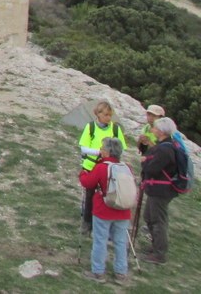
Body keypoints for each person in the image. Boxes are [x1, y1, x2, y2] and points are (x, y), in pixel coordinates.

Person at [79, 137, 133, 282]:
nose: (100, 150)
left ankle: (98, 272)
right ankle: (121, 272)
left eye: (102, 148)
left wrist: (83, 172)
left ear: (108, 151)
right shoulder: (127, 168)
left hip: (104, 210)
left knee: (100, 240)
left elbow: (88, 182)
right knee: (120, 242)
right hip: (123, 210)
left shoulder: (102, 167)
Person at [77, 100, 127, 234]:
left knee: (108, 194)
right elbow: (83, 148)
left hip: (109, 167)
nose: (108, 118)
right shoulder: (91, 127)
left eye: (110, 115)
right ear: (98, 114)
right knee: (90, 194)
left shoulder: (115, 129)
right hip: (92, 165)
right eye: (105, 115)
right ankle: (88, 222)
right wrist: (99, 153)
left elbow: (121, 148)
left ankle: (104, 222)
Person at [141, 116, 181, 265]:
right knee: (150, 218)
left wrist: (145, 163)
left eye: (156, 128)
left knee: (158, 221)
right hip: (159, 189)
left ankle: (159, 254)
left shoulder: (165, 149)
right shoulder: (168, 145)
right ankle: (156, 248)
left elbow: (152, 168)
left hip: (160, 190)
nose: (153, 129)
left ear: (162, 131)